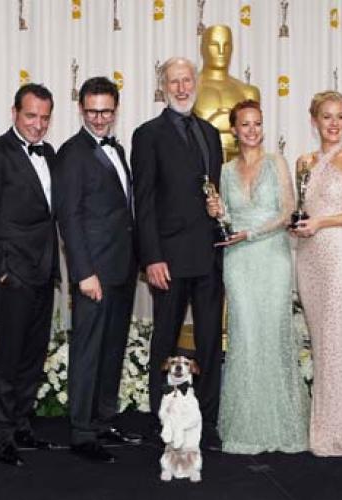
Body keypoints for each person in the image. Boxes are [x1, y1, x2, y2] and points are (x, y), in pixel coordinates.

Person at [206, 99, 309, 454]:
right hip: (238, 260)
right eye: (245, 124)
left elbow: (288, 210)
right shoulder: (224, 171)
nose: (252, 130)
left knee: (273, 334)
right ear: (234, 130)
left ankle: (281, 424)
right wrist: (217, 211)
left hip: (272, 256)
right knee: (246, 336)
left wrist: (251, 233)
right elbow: (226, 218)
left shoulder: (276, 162)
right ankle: (246, 425)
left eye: (257, 123)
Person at [132, 57, 224, 450]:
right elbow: (143, 202)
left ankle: (208, 423)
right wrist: (152, 257)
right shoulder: (147, 134)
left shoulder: (210, 133)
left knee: (210, 342)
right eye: (174, 82)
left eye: (187, 80)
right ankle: (163, 420)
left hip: (208, 256)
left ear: (196, 82)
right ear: (163, 87)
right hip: (167, 259)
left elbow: (212, 191)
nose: (182, 88)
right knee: (165, 343)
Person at [0, 83, 59, 467]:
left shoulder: (50, 153)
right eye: (31, 116)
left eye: (44, 117)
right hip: (12, 273)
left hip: (44, 270)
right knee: (9, 356)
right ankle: (2, 433)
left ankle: (22, 423)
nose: (38, 124)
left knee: (33, 355)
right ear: (14, 113)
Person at [53, 76, 141, 464]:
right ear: (81, 109)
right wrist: (83, 272)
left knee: (112, 348)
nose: (99, 118)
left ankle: (103, 421)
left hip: (122, 267)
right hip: (94, 272)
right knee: (89, 351)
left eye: (106, 111)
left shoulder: (117, 149)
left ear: (115, 109)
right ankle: (82, 432)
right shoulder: (72, 153)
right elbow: (69, 217)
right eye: (92, 111)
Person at [290, 91, 342, 456]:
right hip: (310, 259)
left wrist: (322, 222)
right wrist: (299, 225)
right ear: (314, 120)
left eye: (340, 116)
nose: (334, 123)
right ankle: (323, 429)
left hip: (341, 257)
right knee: (322, 344)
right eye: (327, 116)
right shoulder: (303, 162)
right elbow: (302, 210)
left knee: (341, 343)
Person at [193, 24, 261, 160]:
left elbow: (253, 138)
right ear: (202, 48)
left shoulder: (248, 92)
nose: (221, 51)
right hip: (200, 164)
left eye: (227, 45)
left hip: (240, 165)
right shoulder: (189, 90)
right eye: (214, 45)